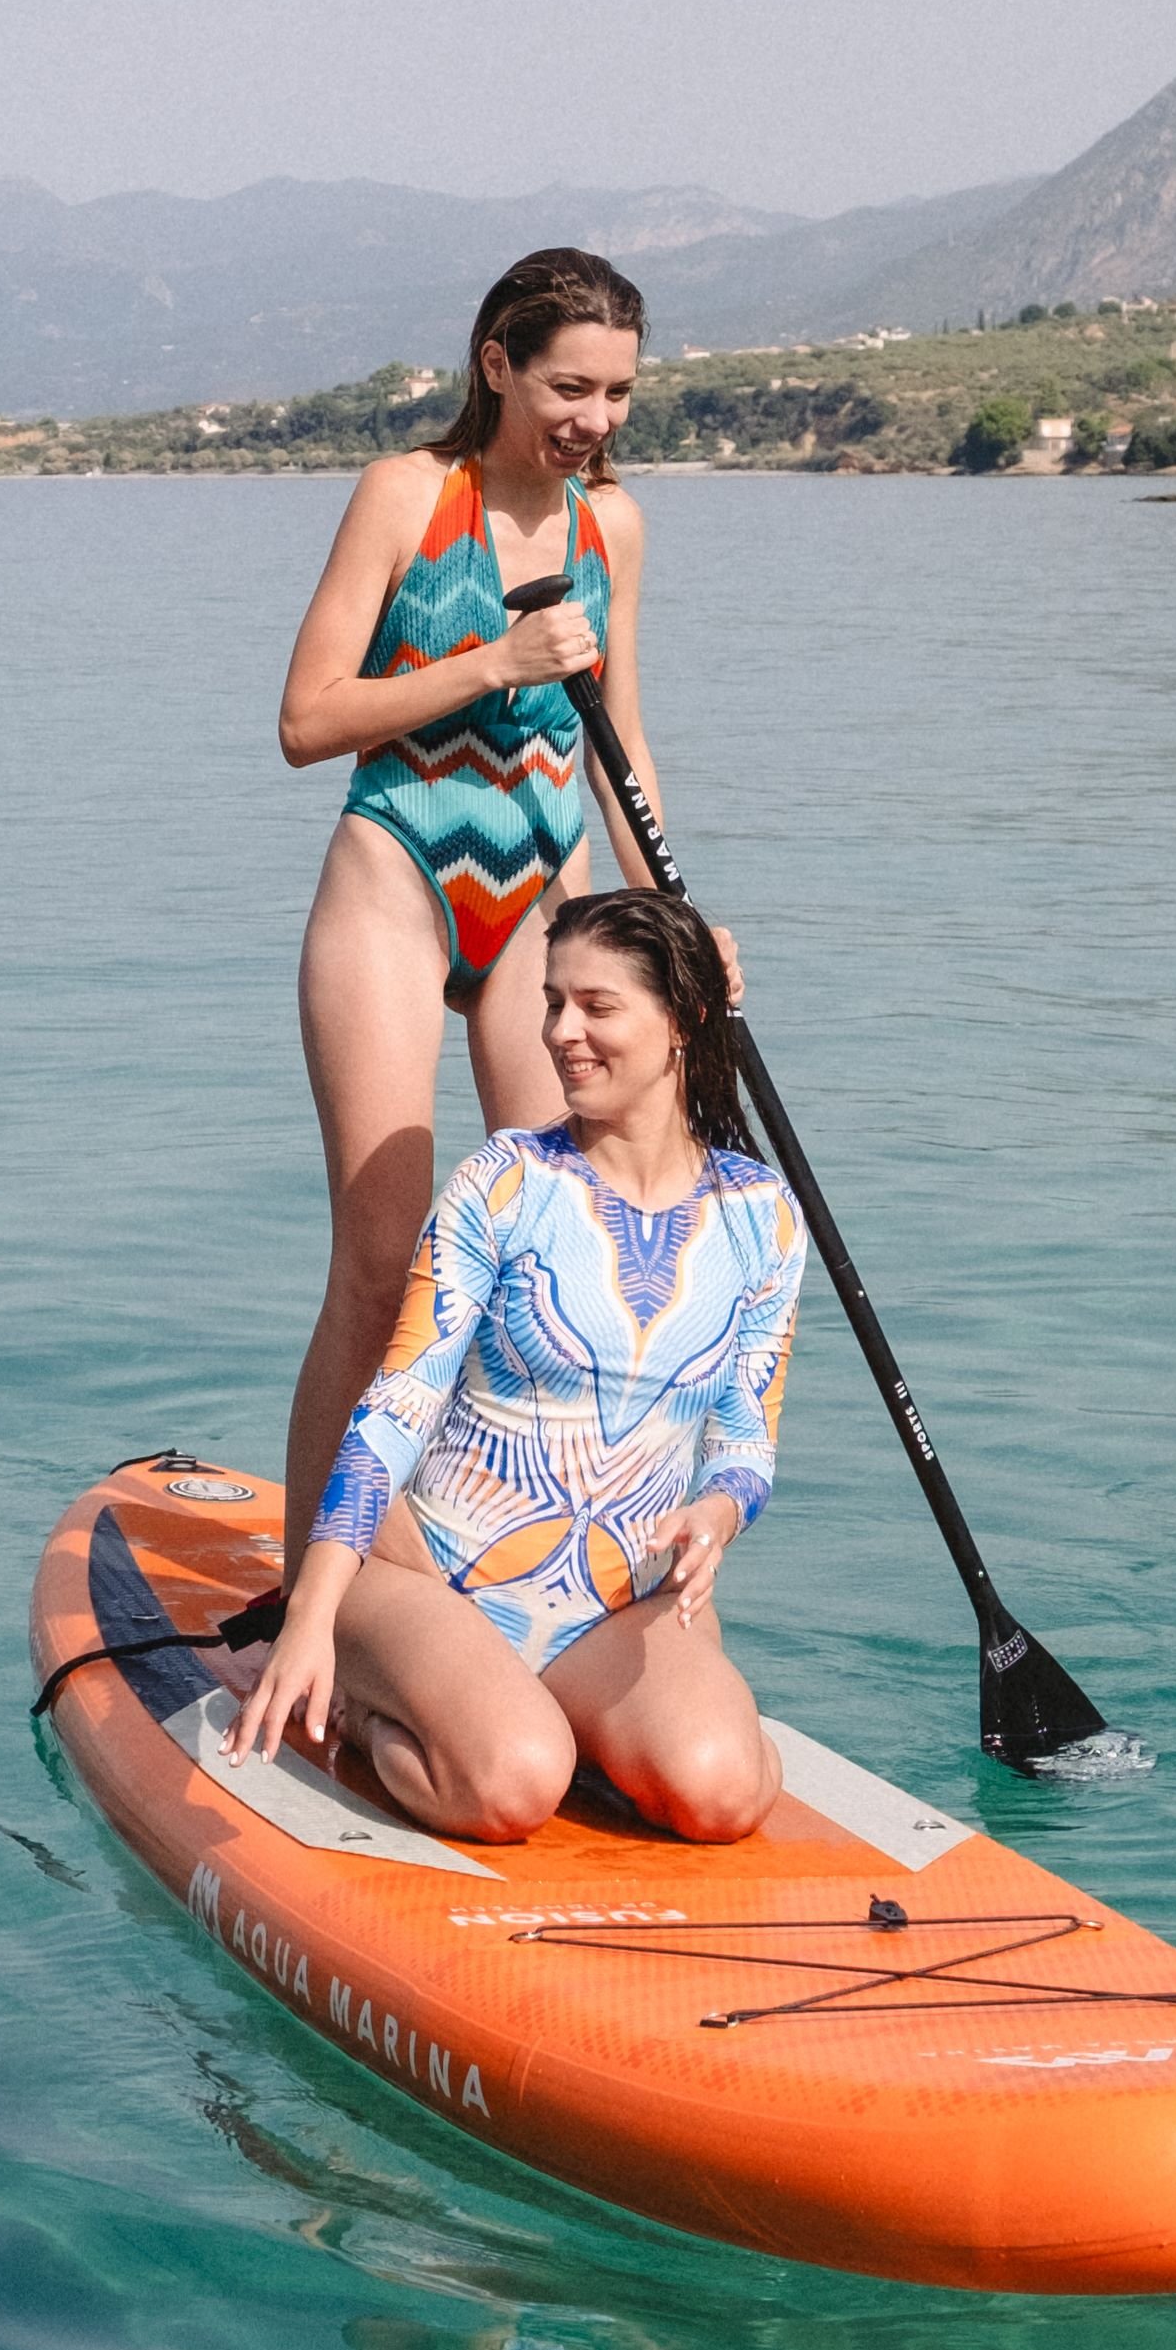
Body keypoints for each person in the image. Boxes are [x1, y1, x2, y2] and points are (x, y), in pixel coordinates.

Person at [266, 248, 713, 1559]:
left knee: (552, 1257)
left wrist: (678, 934)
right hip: (400, 873)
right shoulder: (408, 495)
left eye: (620, 393)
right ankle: (312, 1582)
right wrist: (493, 662)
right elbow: (306, 719)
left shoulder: (610, 525)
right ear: (497, 363)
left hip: (543, 902)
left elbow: (621, 747)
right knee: (385, 1246)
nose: (597, 419)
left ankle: (505, 1551)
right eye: (572, 386)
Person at [234, 889, 802, 1844]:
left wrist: (717, 1512)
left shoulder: (760, 1217)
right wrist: (311, 1611)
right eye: (550, 1001)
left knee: (722, 1795)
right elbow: (393, 1412)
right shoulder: (503, 1182)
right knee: (510, 1786)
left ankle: (585, 1715)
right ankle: (383, 1712)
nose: (559, 1033)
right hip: (438, 1581)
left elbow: (745, 1441)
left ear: (682, 1022)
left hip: (612, 1602)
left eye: (596, 1006)